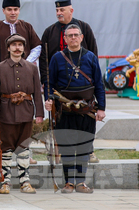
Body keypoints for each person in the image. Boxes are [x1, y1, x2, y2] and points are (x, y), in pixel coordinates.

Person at [44, 22, 105, 193]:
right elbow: (50, 84)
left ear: (81, 37)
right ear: (65, 39)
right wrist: (48, 100)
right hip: (65, 111)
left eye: (76, 35)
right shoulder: (57, 58)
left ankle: (80, 182)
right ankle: (69, 182)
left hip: (87, 111)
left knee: (84, 146)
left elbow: (99, 84)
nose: (73, 38)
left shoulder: (91, 57)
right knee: (67, 146)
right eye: (69, 35)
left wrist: (101, 108)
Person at [0, 34, 44, 194]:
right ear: (8, 48)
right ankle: (5, 182)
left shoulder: (32, 68)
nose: (17, 47)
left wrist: (39, 113)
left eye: (20, 45)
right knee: (5, 149)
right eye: (14, 45)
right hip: (6, 114)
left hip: (26, 112)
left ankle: (25, 182)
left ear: (24, 48)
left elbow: (37, 94)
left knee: (23, 149)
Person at [39, 0, 98, 91]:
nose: (58, 13)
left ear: (71, 11)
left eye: (62, 10)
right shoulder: (49, 31)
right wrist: (45, 80)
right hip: (58, 81)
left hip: (82, 81)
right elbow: (43, 58)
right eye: (57, 10)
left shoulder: (84, 27)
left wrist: (95, 77)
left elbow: (93, 52)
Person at [0, 0, 42, 75]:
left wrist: (27, 63)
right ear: (3, 11)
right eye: (9, 9)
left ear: (19, 10)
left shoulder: (27, 27)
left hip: (24, 73)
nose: (13, 12)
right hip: (3, 73)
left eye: (15, 9)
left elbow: (37, 47)